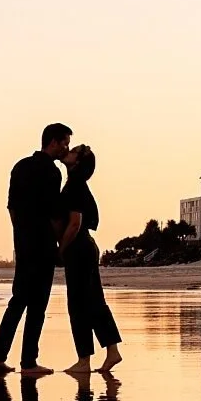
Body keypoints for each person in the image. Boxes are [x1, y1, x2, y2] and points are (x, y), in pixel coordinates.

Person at [0, 123, 71, 376]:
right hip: (43, 245)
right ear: (54, 142)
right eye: (65, 142)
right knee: (37, 306)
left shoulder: (20, 166)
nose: (66, 147)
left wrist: (21, 234)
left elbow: (11, 208)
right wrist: (59, 245)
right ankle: (28, 361)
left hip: (23, 244)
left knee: (18, 301)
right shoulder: (52, 173)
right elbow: (54, 215)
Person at [55, 144, 123, 376]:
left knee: (78, 305)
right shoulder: (77, 185)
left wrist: (61, 250)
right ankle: (111, 350)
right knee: (94, 301)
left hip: (79, 248)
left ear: (77, 162)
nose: (68, 151)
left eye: (73, 151)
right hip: (86, 247)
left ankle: (84, 359)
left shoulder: (75, 186)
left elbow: (75, 223)